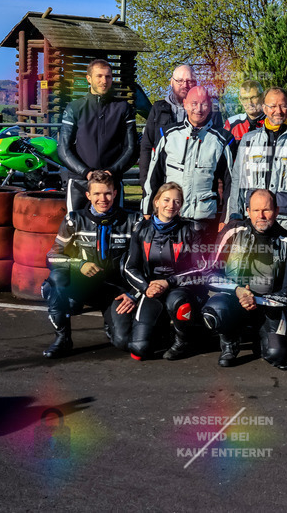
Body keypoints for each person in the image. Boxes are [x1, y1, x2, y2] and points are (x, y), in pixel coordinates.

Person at [41, 171, 143, 358]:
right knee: (54, 282)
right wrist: (79, 264)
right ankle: (62, 339)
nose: (102, 199)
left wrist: (134, 294)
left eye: (107, 193)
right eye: (96, 194)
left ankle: (110, 321)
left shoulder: (133, 221)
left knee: (122, 342)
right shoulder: (74, 219)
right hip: (84, 285)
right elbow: (52, 257)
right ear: (88, 195)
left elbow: (144, 263)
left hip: (116, 290)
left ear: (115, 194)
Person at [202, 189, 287, 369]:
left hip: (268, 305)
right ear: (248, 211)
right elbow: (210, 274)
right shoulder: (232, 232)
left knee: (276, 355)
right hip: (234, 299)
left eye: (267, 210)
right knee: (214, 310)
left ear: (277, 211)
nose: (261, 216)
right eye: (256, 210)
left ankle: (261, 337)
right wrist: (238, 291)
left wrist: (257, 299)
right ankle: (229, 343)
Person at [122, 182, 207, 361]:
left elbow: (201, 268)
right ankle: (161, 330)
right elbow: (130, 267)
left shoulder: (192, 229)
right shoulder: (141, 229)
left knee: (178, 302)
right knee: (139, 350)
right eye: (166, 200)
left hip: (181, 288)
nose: (171, 205)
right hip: (152, 289)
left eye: (177, 201)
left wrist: (169, 281)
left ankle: (183, 340)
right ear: (157, 202)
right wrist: (146, 288)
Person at [142, 86, 233, 241]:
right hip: (170, 215)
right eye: (194, 103)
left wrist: (226, 217)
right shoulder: (168, 134)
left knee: (201, 264)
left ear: (210, 107)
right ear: (185, 104)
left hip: (204, 219)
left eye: (204, 104)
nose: (198, 109)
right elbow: (153, 175)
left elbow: (231, 182)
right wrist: (147, 208)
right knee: (168, 262)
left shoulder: (223, 140)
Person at [228, 87, 287, 237]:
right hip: (253, 219)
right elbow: (238, 179)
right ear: (264, 108)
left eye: (283, 106)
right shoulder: (249, 139)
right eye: (273, 106)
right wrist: (235, 214)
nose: (278, 111)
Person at [58, 59, 138, 211]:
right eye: (99, 76)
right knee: (76, 228)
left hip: (111, 183)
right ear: (89, 79)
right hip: (80, 182)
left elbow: (132, 148)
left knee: (113, 231)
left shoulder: (123, 108)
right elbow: (63, 149)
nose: (104, 81)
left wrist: (112, 172)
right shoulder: (75, 107)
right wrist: (86, 173)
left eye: (108, 76)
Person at [225, 79, 266, 150]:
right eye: (245, 99)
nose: (249, 103)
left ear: (262, 96)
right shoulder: (231, 123)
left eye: (253, 97)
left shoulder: (272, 121)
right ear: (240, 100)